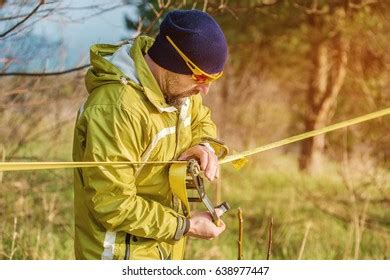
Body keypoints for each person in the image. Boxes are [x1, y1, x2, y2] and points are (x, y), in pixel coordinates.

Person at [72, 9, 229, 260]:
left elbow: (201, 119)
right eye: (201, 76)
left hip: (164, 245)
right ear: (172, 60)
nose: (205, 89)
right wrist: (186, 226)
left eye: (214, 78)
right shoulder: (117, 110)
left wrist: (203, 146)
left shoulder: (181, 91)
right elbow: (112, 203)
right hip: (119, 253)